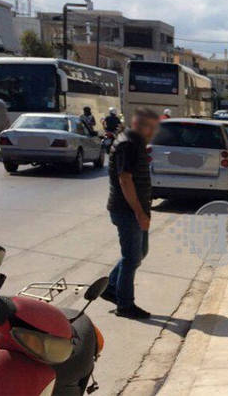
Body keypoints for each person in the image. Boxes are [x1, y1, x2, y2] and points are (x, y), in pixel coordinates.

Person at [102, 107, 160, 319]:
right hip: (127, 211)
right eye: (150, 128)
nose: (153, 132)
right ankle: (125, 305)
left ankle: (111, 287)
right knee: (131, 258)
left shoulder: (135, 142)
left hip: (136, 210)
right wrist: (139, 213)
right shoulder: (127, 144)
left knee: (139, 253)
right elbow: (125, 180)